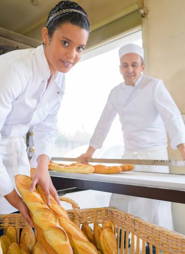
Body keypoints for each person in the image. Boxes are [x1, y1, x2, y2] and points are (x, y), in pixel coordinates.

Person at [0, 0, 90, 226]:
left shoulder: (59, 77)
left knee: (17, 233)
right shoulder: (15, 69)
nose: (72, 55)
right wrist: (10, 195)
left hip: (14, 153)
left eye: (80, 48)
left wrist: (41, 166)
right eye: (66, 42)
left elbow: (47, 125)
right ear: (46, 36)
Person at [78, 43, 185, 230]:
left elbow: (172, 116)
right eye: (125, 65)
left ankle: (159, 253)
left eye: (134, 64)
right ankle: (124, 248)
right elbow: (104, 123)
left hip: (155, 158)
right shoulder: (115, 93)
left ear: (142, 66)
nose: (130, 69)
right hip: (129, 157)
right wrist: (89, 152)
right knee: (121, 202)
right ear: (120, 68)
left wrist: (182, 147)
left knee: (155, 209)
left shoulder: (154, 86)